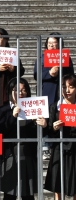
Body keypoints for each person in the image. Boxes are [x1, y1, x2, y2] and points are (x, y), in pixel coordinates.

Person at [0, 77, 47, 200]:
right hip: (9, 155)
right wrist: (12, 116)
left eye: (24, 90)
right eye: (16, 90)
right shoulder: (3, 109)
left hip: (28, 155)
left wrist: (43, 125)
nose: (20, 93)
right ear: (10, 92)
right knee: (9, 195)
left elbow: (38, 134)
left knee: (28, 195)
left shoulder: (34, 108)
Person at [34, 32, 74, 160]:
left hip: (62, 94)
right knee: (46, 118)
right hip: (47, 93)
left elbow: (71, 76)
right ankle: (45, 145)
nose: (52, 46)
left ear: (60, 45)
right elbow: (36, 74)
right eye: (49, 44)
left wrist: (61, 70)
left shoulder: (66, 58)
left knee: (59, 118)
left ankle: (59, 143)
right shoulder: (41, 58)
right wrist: (50, 73)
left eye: (55, 44)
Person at [44, 73, 76, 200]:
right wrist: (54, 128)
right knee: (58, 185)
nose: (67, 90)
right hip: (59, 149)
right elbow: (49, 132)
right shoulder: (54, 107)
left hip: (74, 149)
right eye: (64, 86)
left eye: (71, 86)